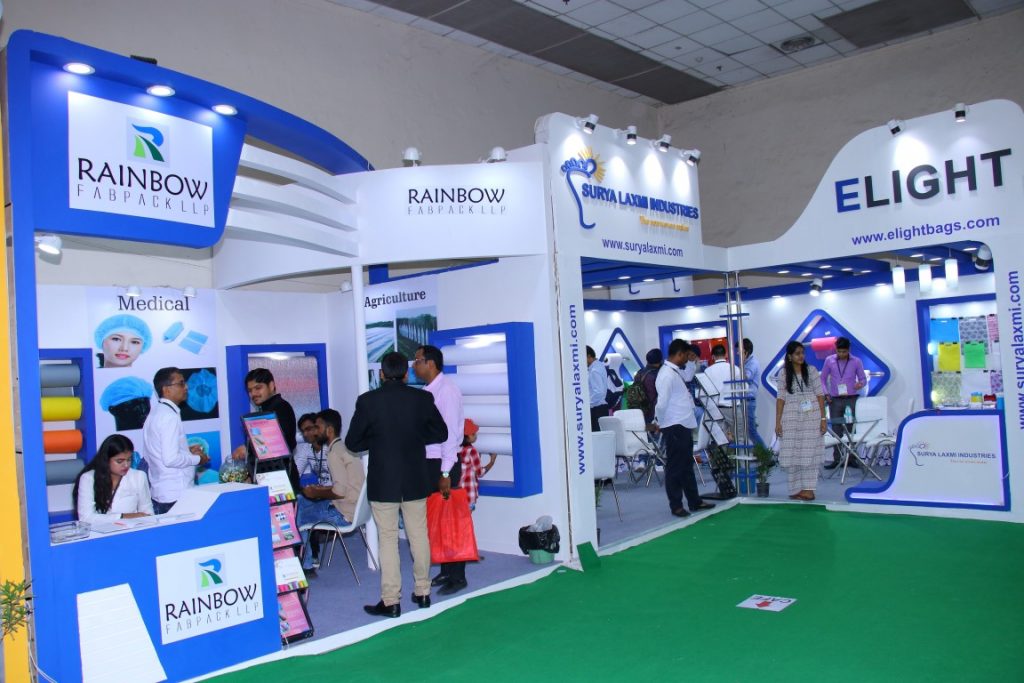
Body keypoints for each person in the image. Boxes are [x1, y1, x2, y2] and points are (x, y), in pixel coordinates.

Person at [346, 351, 447, 618]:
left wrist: (376, 441)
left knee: (388, 539)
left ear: (381, 374)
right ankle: (423, 592)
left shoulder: (368, 401)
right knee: (419, 535)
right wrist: (415, 437)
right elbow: (441, 432)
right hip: (415, 477)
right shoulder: (422, 398)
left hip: (384, 480)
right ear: (406, 373)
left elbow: (352, 442)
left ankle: (391, 601)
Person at [413, 344, 468, 595]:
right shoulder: (429, 391)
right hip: (430, 462)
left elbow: (451, 435)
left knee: (450, 522)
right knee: (438, 520)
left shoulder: (447, 390)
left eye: (417, 361)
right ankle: (446, 570)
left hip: (444, 464)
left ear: (431, 363)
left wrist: (445, 472)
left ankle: (458, 576)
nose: (414, 366)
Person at [297, 409, 365, 572]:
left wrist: (316, 492)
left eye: (317, 427)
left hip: (342, 514)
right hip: (355, 510)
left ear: (329, 430)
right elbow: (345, 486)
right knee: (301, 502)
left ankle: (306, 565)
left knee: (297, 517)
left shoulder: (333, 453)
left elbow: (340, 492)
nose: (315, 432)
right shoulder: (344, 447)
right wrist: (322, 489)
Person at [653, 339, 715, 518]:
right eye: (686, 356)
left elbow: (688, 376)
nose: (686, 359)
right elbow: (661, 403)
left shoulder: (674, 371)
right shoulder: (666, 375)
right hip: (674, 425)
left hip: (683, 423)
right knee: (675, 467)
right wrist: (658, 422)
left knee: (687, 465)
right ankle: (676, 505)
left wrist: (692, 362)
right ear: (679, 354)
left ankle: (694, 501)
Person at [142, 367, 210, 513]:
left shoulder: (155, 413)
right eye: (181, 383)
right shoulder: (169, 417)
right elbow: (170, 459)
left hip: (163, 492)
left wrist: (186, 450)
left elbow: (157, 452)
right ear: (166, 389)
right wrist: (198, 459)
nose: (186, 387)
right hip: (176, 494)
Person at [775, 341, 826, 501]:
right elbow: (780, 398)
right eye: (797, 353)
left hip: (811, 416)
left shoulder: (811, 370)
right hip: (790, 416)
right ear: (790, 356)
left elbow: (820, 395)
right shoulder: (783, 374)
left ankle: (809, 489)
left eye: (802, 353)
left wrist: (823, 419)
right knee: (793, 452)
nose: (801, 356)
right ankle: (796, 489)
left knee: (809, 452)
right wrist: (778, 422)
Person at [233, 368, 299, 488]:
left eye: (258, 388)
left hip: (282, 481)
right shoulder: (264, 411)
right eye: (250, 390)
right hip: (269, 477)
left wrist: (248, 448)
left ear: (271, 385)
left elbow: (279, 442)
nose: (253, 394)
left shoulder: (281, 407)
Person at [73, 434, 154, 524]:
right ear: (106, 459)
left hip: (132, 530)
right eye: (119, 461)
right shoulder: (88, 479)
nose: (126, 465)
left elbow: (148, 514)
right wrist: (123, 516)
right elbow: (86, 518)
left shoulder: (139, 476)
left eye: (129, 460)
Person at [819, 337, 866, 469]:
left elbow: (863, 379)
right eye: (839, 351)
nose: (841, 354)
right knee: (836, 430)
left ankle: (851, 459)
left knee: (851, 429)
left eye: (844, 352)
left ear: (849, 350)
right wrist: (826, 393)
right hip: (834, 400)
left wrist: (860, 384)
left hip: (851, 399)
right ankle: (837, 459)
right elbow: (822, 379)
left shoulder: (856, 361)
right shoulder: (829, 360)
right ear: (836, 349)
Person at [293, 413, 328, 569]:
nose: (306, 434)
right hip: (321, 495)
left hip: (335, 497)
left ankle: (308, 559)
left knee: (302, 510)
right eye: (303, 431)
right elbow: (296, 473)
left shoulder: (331, 447)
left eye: (309, 429)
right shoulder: (306, 449)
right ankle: (308, 556)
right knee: (298, 503)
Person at [702, 344, 742, 438]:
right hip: (733, 408)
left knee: (720, 439)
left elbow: (706, 391)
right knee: (740, 436)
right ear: (726, 354)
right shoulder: (735, 369)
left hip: (716, 409)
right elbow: (742, 387)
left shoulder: (707, 371)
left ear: (713, 356)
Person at [459, 418, 496, 511]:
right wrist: (492, 462)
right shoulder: (472, 451)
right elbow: (480, 473)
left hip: (457, 494)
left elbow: (468, 467)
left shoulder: (457, 449)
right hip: (468, 494)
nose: (476, 436)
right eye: (473, 434)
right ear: (466, 436)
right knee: (467, 520)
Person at [736, 338, 766, 448]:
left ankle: (766, 454)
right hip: (744, 401)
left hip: (748, 401)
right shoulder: (747, 363)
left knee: (751, 431)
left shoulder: (752, 363)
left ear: (745, 351)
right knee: (749, 431)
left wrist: (741, 363)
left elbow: (745, 378)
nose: (737, 353)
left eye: (739, 351)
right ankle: (763, 453)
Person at [586, 346, 609, 431]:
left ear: (588, 356)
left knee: (596, 436)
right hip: (600, 408)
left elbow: (598, 392)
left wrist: (587, 404)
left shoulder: (594, 370)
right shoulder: (599, 365)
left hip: (596, 409)